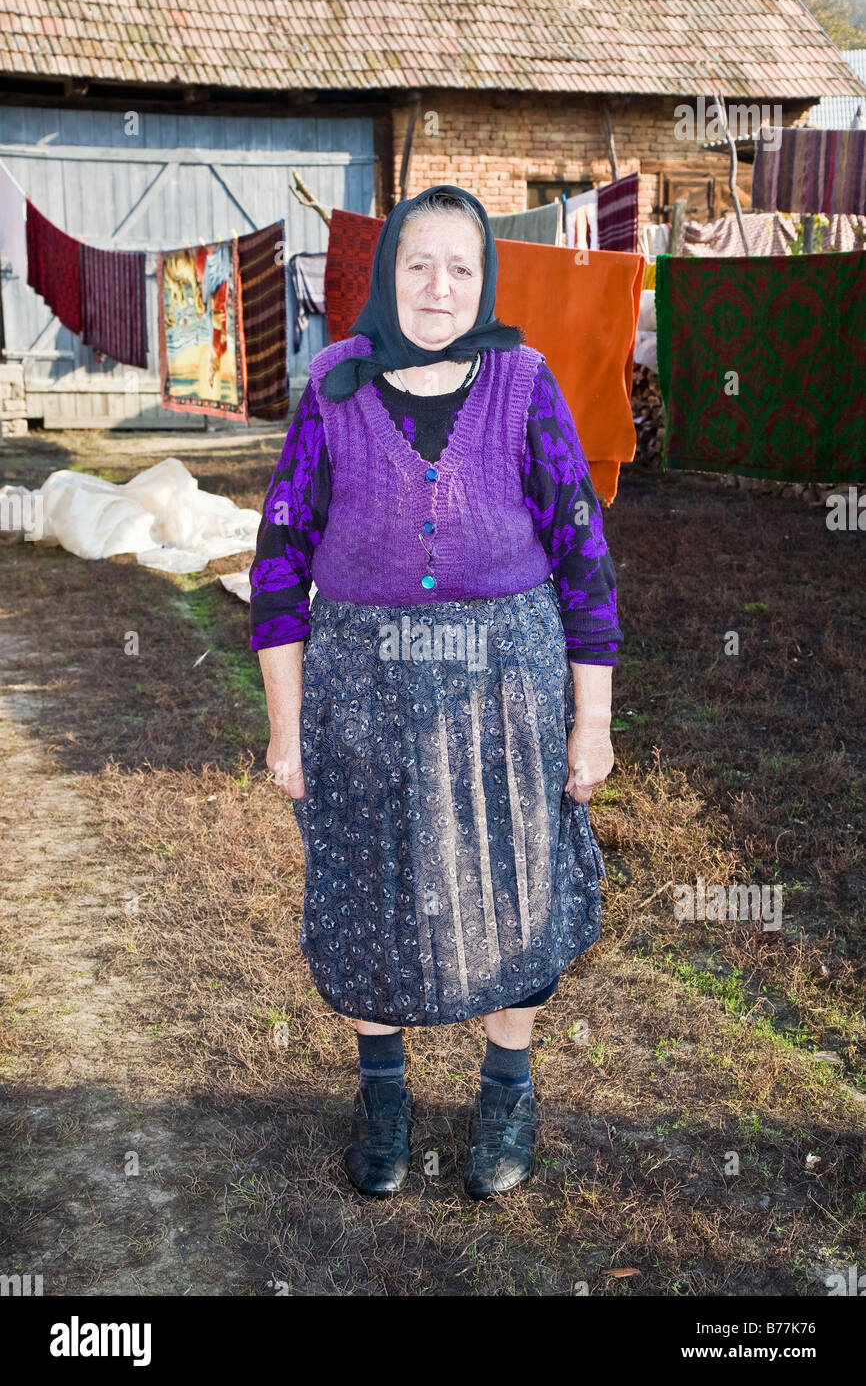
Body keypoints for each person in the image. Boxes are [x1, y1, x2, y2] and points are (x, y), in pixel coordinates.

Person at [250, 184, 622, 1200]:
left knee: (518, 887)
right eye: (418, 263)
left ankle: (506, 1092)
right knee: (369, 887)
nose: (439, 286)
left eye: (462, 266)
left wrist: (591, 723)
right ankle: (383, 1097)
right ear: (388, 274)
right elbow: (278, 564)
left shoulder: (523, 381)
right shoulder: (333, 386)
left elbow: (583, 560)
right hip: (359, 695)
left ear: (485, 279)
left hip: (508, 696)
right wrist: (286, 727)